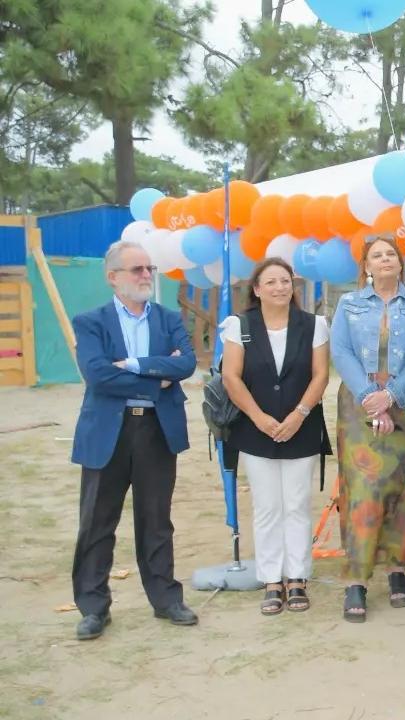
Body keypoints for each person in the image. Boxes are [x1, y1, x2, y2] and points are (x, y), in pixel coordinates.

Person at [70, 240, 198, 640]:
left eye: (149, 269)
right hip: (108, 431)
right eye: (137, 269)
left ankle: (166, 599)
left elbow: (187, 364)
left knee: (156, 520)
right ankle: (93, 607)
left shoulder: (168, 318)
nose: (146, 275)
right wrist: (158, 378)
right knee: (96, 522)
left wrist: (137, 365)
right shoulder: (90, 321)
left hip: (157, 431)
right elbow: (98, 375)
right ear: (113, 277)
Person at [219, 258, 331, 616]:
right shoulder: (239, 325)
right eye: (272, 282)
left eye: (286, 281)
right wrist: (258, 417)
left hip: (302, 427)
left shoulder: (314, 325)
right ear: (257, 289)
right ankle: (271, 579)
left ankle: (297, 577)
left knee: (296, 504)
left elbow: (320, 376)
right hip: (255, 431)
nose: (281, 287)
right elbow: (231, 377)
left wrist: (299, 414)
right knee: (268, 506)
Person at [330, 236, 405, 622]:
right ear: (366, 266)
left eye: (391, 254)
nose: (386, 259)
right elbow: (341, 352)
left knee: (402, 489)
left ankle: (396, 569)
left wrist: (390, 396)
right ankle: (356, 577)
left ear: (400, 264)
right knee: (363, 490)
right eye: (378, 255)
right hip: (359, 405)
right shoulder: (349, 303)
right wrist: (371, 397)